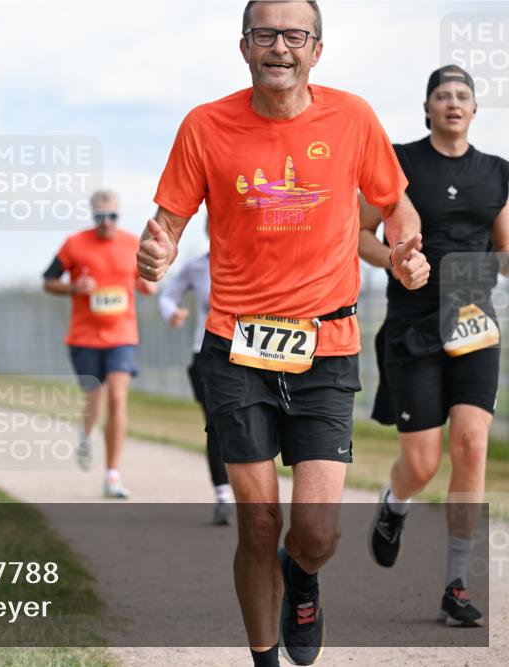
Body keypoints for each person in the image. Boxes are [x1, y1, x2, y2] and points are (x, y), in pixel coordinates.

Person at [136, 2, 425, 664]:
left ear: (317, 51)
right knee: (259, 522)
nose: (280, 46)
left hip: (325, 345)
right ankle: (265, 657)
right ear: (243, 47)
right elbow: (165, 230)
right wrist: (152, 257)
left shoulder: (352, 118)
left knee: (316, 530)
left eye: (295, 35)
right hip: (235, 346)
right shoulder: (205, 126)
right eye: (265, 34)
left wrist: (406, 243)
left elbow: (394, 203)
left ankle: (305, 577)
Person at [361, 65, 508, 628]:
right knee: (422, 463)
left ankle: (457, 584)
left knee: (471, 446)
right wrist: (396, 261)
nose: (453, 103)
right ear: (428, 107)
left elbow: (505, 250)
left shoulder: (497, 173)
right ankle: (394, 506)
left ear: (474, 109)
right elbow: (360, 235)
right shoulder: (400, 162)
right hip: (414, 321)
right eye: (442, 95)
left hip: (473, 315)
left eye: (462, 95)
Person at [43, 189, 157, 499]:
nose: (106, 222)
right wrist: (72, 287)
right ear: (93, 216)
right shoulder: (74, 244)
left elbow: (148, 285)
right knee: (95, 401)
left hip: (122, 335)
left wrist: (149, 284)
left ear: (119, 215)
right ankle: (86, 433)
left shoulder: (133, 243)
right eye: (100, 217)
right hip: (84, 337)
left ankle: (112, 475)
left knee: (118, 398)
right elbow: (48, 281)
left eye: (112, 216)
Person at [158, 219, 233, 525]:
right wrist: (171, 312)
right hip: (205, 353)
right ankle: (224, 497)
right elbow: (167, 295)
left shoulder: (255, 261)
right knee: (216, 424)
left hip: (247, 352)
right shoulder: (196, 267)